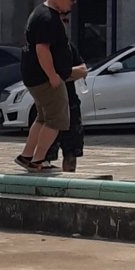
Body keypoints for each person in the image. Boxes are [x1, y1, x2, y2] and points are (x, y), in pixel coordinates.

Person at [15, 0, 83, 173]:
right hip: (45, 79)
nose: (73, 3)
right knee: (57, 119)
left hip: (34, 78)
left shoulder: (39, 13)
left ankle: (27, 155)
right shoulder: (48, 18)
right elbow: (42, 49)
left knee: (43, 118)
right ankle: (37, 160)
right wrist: (53, 75)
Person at [44, 12, 85, 173]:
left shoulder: (69, 46)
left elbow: (83, 70)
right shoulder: (44, 47)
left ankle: (70, 180)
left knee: (72, 150)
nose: (64, 24)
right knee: (45, 153)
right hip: (51, 105)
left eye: (66, 21)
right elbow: (44, 76)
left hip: (71, 105)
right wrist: (63, 74)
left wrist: (58, 75)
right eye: (61, 21)